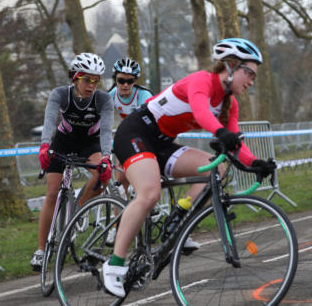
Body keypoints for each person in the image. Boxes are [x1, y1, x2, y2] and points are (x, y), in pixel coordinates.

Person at [102, 37, 277, 297]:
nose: (251, 80)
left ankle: (180, 215)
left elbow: (236, 141)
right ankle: (114, 264)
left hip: (162, 144)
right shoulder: (201, 81)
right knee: (149, 193)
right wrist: (219, 131)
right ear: (229, 66)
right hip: (136, 132)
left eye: (254, 75)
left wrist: (255, 163)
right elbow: (201, 110)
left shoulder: (231, 104)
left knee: (217, 169)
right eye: (248, 72)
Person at [30, 53, 114, 271]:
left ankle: (78, 209)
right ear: (75, 77)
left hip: (89, 143)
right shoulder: (60, 94)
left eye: (96, 80)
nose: (92, 85)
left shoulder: (103, 100)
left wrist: (106, 157)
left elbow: (105, 131)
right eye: (87, 79)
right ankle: (40, 251)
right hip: (63, 141)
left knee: (102, 176)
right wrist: (44, 145)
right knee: (52, 192)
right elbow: (49, 121)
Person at [106, 57, 153, 244]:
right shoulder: (110, 96)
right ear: (115, 79)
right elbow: (103, 122)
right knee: (120, 183)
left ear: (136, 82)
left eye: (130, 81)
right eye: (121, 80)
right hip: (128, 133)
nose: (125, 85)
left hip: (146, 133)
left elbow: (148, 123)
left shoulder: (144, 96)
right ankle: (118, 227)